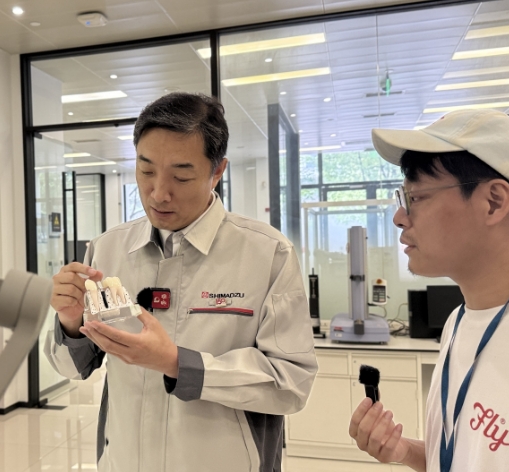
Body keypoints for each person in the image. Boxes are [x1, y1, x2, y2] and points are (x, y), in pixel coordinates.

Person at [45, 92, 318, 472]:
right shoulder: (108, 249)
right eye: (146, 171)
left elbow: (290, 384)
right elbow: (70, 369)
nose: (159, 193)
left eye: (182, 176)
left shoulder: (267, 254)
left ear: (217, 171)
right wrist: (70, 322)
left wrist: (177, 363)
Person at [349, 109, 509, 471]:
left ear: (494, 202)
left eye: (416, 197)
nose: (399, 217)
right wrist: (406, 451)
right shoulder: (460, 321)